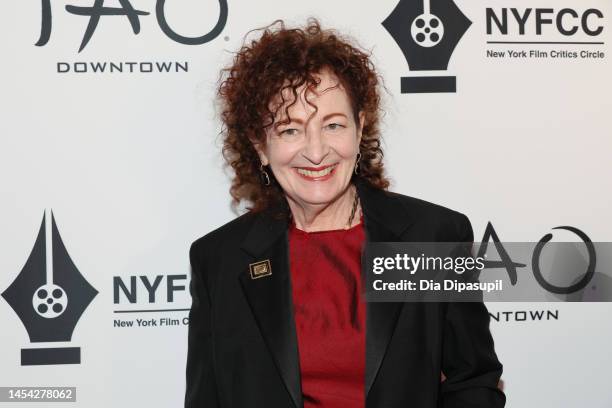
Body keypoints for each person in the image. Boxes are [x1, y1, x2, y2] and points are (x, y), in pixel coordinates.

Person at [185, 18, 505, 408]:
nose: (316, 151)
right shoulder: (219, 259)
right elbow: (207, 399)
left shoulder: (431, 237)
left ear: (360, 128)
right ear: (260, 146)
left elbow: (473, 379)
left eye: (333, 125)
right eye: (290, 130)